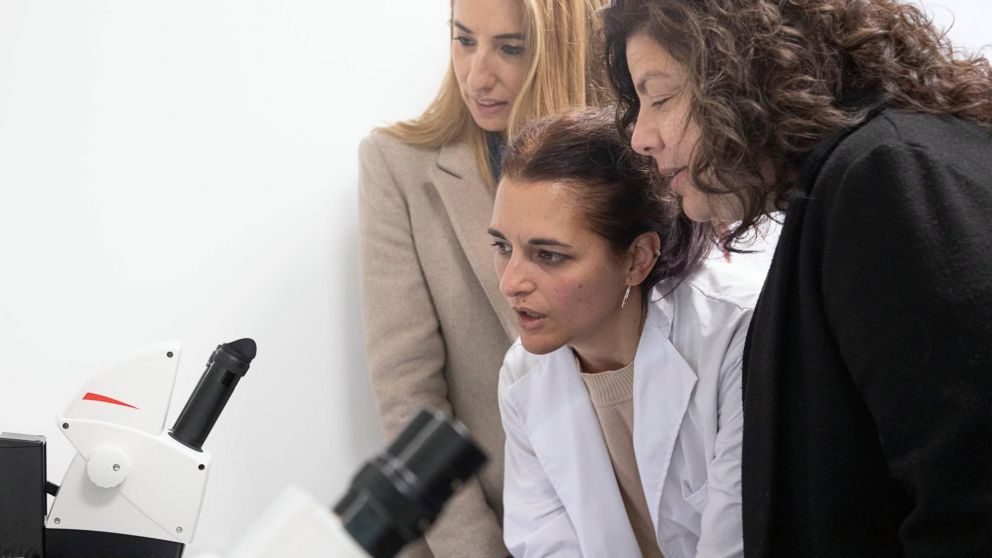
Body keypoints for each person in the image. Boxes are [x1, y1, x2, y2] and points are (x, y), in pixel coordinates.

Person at [602, 0, 992, 556]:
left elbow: (970, 504)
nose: (641, 136)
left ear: (746, 72)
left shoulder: (887, 179)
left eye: (661, 97)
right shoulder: (859, 178)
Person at [358, 1, 608, 555]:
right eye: (464, 40)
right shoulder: (400, 165)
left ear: (561, 49)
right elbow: (408, 398)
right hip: (484, 525)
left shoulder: (630, 156)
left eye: (510, 48)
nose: (478, 74)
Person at [491, 107, 764, 557]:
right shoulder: (522, 376)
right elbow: (544, 546)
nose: (509, 282)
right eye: (503, 246)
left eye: (549, 255)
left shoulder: (734, 334)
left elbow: (740, 543)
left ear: (637, 259)